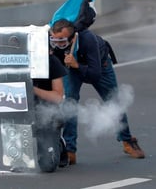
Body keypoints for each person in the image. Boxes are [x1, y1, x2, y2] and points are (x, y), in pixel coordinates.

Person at [49, 19, 145, 165]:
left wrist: (76, 65)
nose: (58, 44)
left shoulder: (89, 40)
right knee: (69, 103)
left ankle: (127, 140)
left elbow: (95, 74)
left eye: (62, 41)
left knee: (114, 101)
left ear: (73, 37)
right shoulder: (51, 42)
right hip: (70, 67)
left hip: (99, 66)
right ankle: (69, 150)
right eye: (55, 40)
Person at [33, 54, 68, 172]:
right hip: (22, 108)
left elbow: (58, 97)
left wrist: (32, 89)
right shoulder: (11, 60)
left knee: (48, 166)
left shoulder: (51, 61)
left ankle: (59, 143)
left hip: (47, 111)